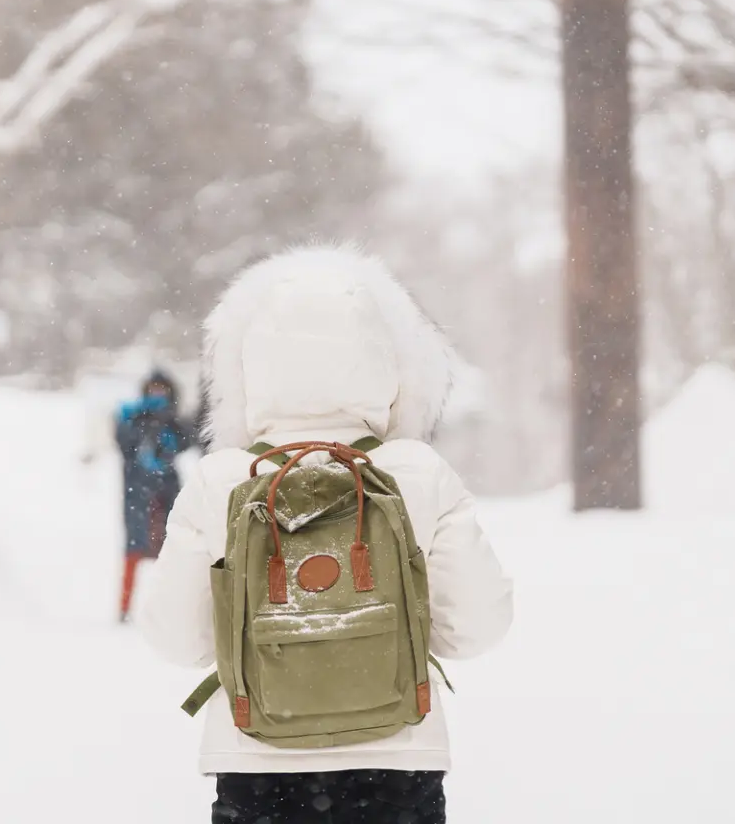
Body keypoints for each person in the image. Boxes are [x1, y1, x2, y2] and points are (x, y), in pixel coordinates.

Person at [137, 245, 514, 824]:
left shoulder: (221, 481)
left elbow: (176, 639)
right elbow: (476, 628)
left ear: (248, 368)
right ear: (387, 360)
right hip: (399, 767)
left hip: (257, 764)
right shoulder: (417, 472)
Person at [116, 367, 195, 622]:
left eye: (162, 390)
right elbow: (124, 443)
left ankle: (171, 612)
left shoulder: (173, 420)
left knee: (172, 551)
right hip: (137, 494)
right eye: (154, 389)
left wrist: (166, 422)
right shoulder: (133, 418)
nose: (158, 394)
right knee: (134, 552)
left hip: (166, 495)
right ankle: (124, 608)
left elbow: (186, 441)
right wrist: (143, 421)